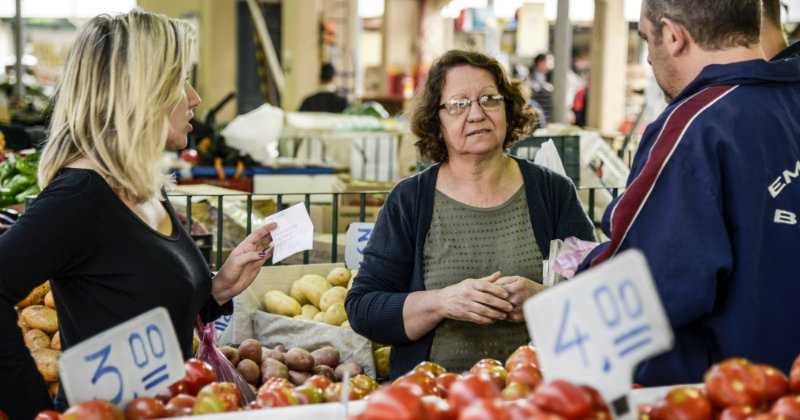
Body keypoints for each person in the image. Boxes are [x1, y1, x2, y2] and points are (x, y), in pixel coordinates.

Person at [0, 11, 277, 418]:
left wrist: (219, 288)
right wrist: (36, 413)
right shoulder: (80, 197)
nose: (195, 98)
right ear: (141, 92)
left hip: (167, 408)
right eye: (182, 81)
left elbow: (142, 306)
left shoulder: (142, 187)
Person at [580, 0, 800, 385]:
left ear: (673, 35)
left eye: (647, 40)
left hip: (730, 395)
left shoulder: (694, 127)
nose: (649, 59)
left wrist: (567, 299)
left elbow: (643, 286)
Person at [345, 50, 595, 379]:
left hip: (537, 394)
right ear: (438, 122)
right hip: (432, 397)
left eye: (489, 99)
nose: (476, 114)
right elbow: (363, 309)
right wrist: (442, 302)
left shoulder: (552, 192)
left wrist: (543, 298)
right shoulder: (410, 200)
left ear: (508, 109)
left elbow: (595, 294)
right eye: (459, 104)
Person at [528, 53, 554, 124]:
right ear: (541, 63)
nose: (551, 64)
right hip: (539, 118)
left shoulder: (543, 78)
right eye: (549, 61)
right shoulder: (533, 79)